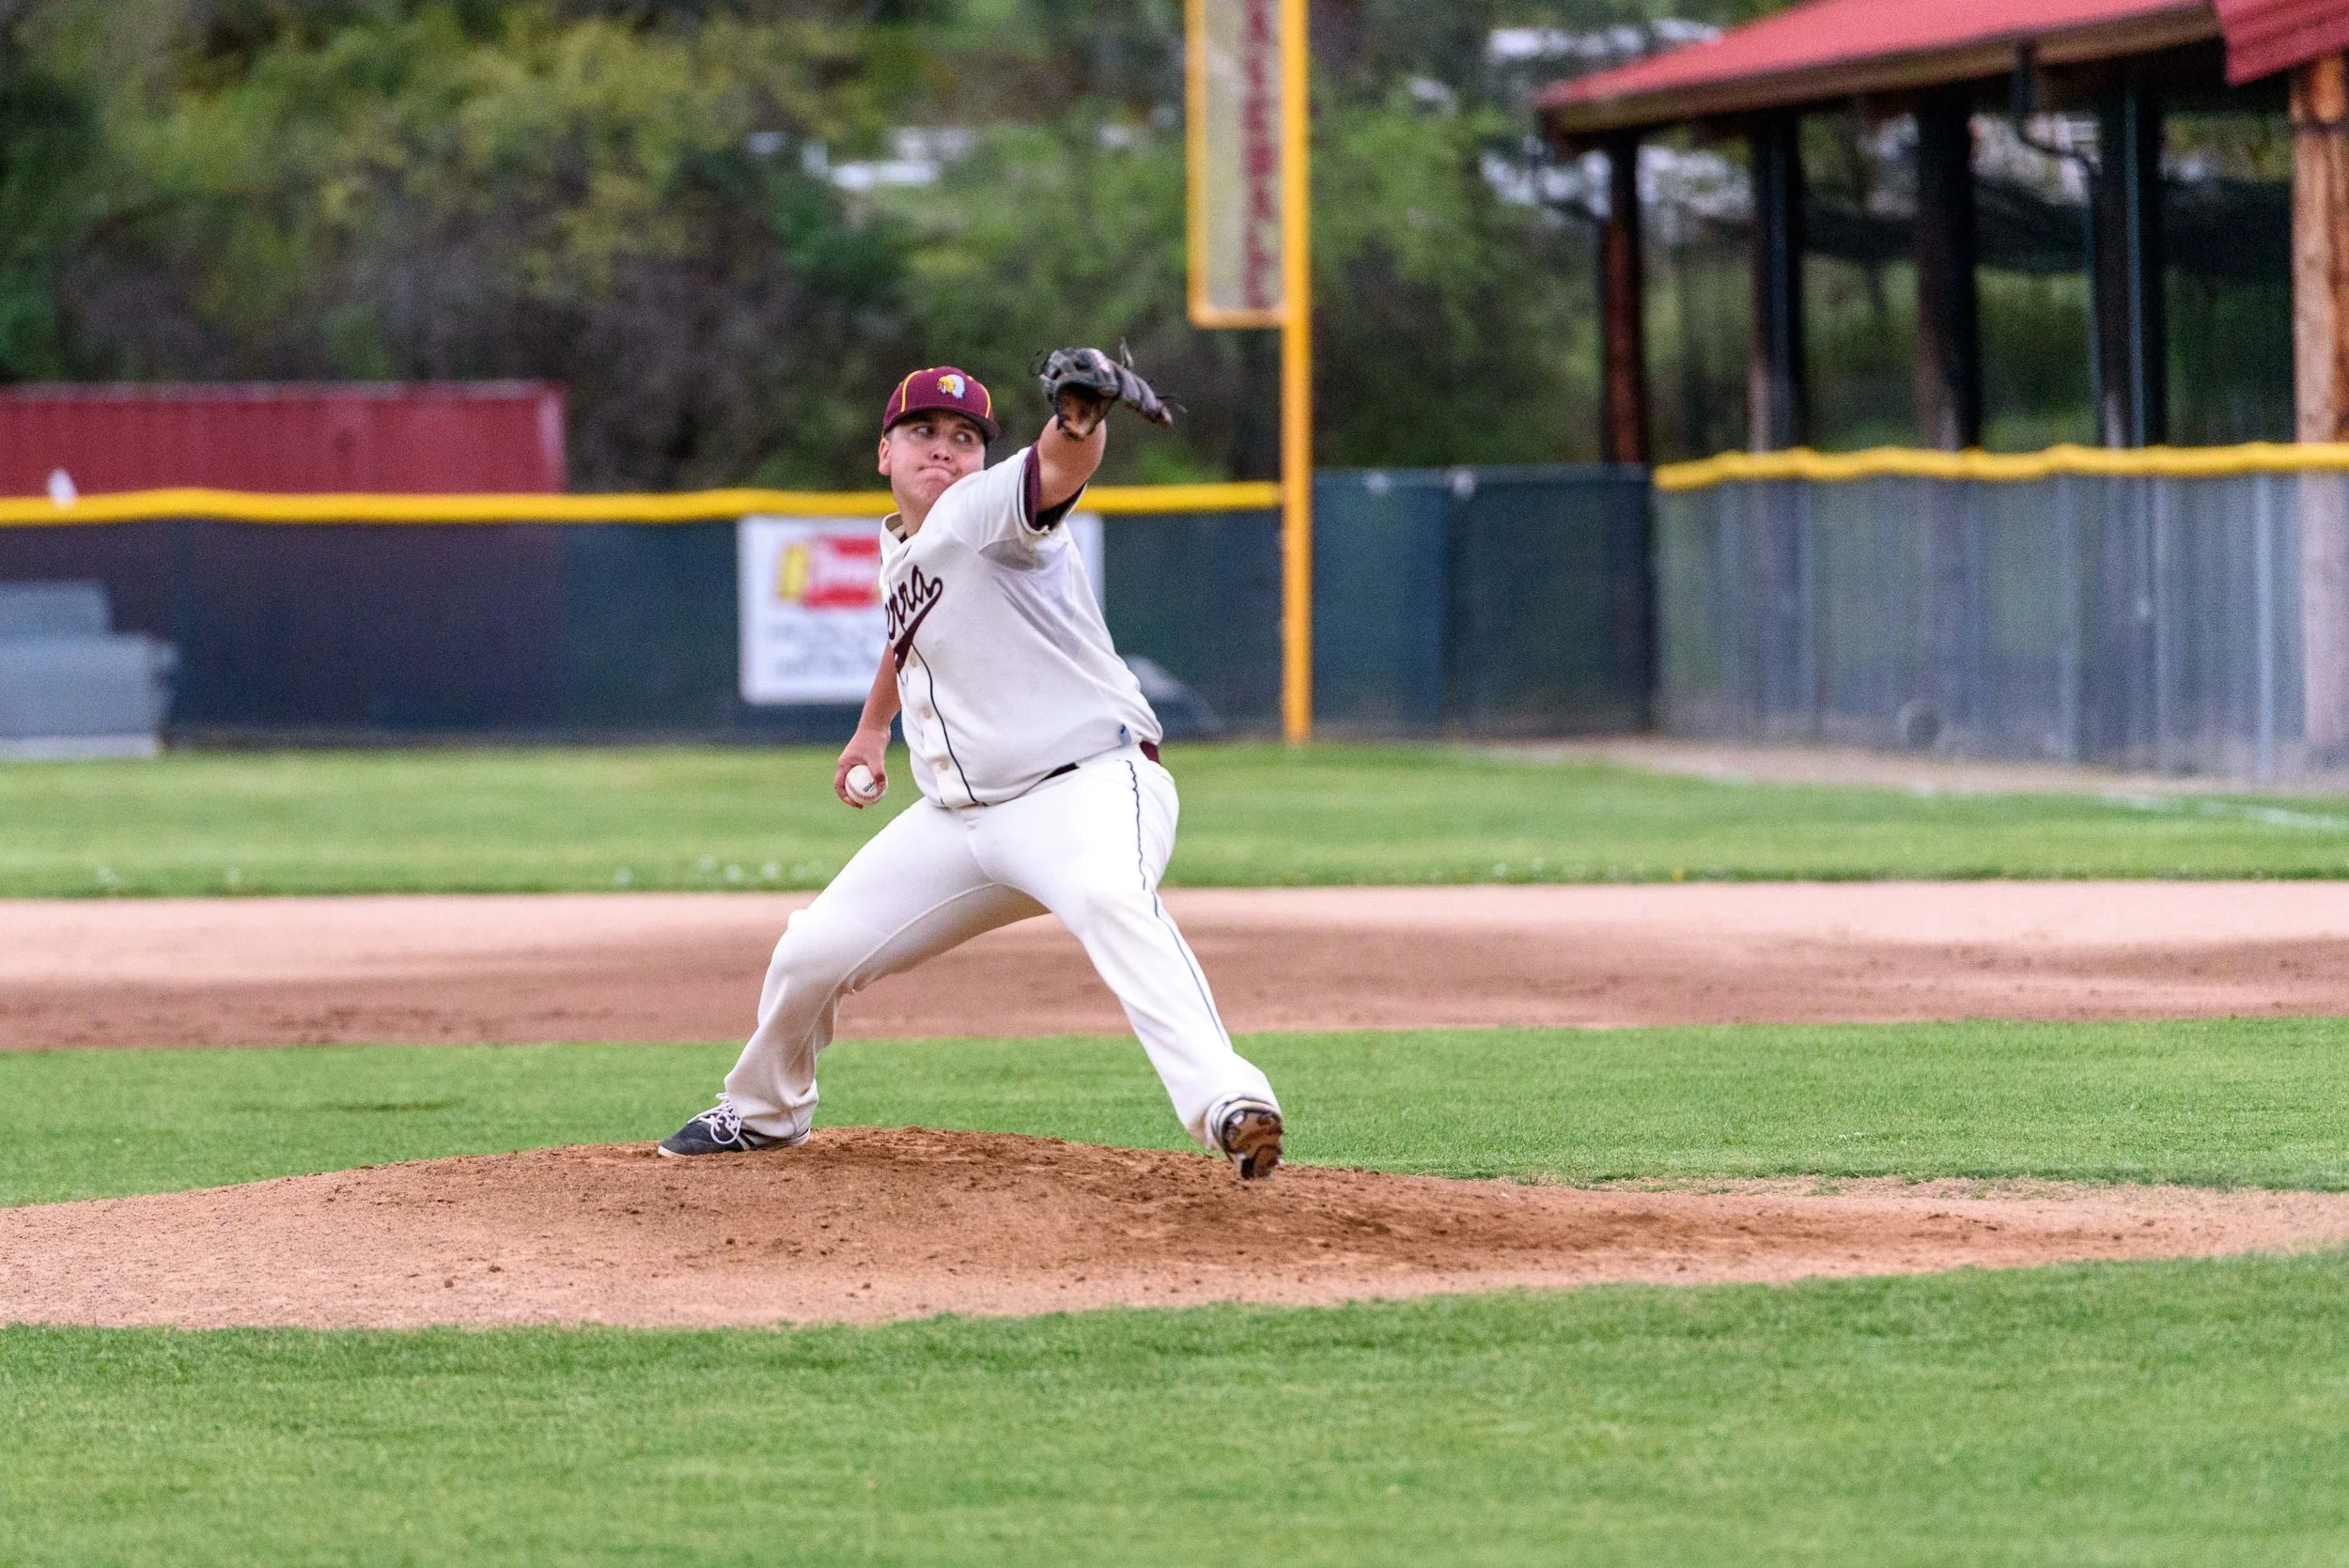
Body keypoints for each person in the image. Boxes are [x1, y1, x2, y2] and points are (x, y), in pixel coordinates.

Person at [659, 354, 1285, 1178]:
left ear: (981, 461)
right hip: (962, 821)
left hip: (1087, 787)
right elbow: (906, 631)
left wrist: (1079, 418)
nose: (943, 449)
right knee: (811, 948)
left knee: (1110, 899)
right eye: (922, 431)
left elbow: (1057, 470)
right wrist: (869, 730)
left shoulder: (986, 512)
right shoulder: (904, 548)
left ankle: (1230, 1101)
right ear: (884, 452)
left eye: (964, 437)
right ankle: (765, 1110)